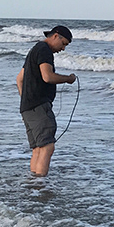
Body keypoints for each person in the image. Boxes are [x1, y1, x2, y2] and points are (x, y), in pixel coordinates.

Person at [16, 25, 77, 176]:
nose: (63, 49)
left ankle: (34, 182)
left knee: (38, 148)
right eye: (63, 44)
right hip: (39, 106)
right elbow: (47, 77)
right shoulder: (44, 50)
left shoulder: (35, 50)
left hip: (27, 107)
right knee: (47, 147)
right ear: (56, 36)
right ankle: (40, 185)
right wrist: (68, 79)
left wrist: (26, 100)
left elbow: (19, 79)